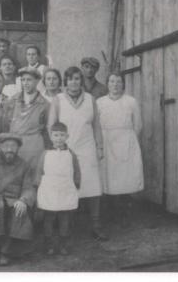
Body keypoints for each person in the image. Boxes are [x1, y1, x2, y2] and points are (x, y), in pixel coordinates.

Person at [48, 66, 108, 241]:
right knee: (67, 184)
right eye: (70, 79)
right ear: (65, 81)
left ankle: (96, 225)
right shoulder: (58, 99)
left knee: (93, 185)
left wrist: (100, 147)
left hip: (87, 147)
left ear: (81, 81)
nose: (74, 82)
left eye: (77, 79)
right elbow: (51, 126)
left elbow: (96, 125)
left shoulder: (90, 99)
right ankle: (67, 226)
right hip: (66, 148)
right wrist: (57, 147)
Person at [0, 133, 35, 267]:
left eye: (13, 146)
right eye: (6, 146)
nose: (10, 149)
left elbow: (29, 187)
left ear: (18, 148)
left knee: (18, 209)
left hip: (15, 199)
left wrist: (24, 200)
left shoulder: (24, 165)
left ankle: (6, 252)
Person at [97, 73, 144, 220]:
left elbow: (138, 125)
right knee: (108, 176)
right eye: (112, 81)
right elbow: (96, 125)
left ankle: (124, 212)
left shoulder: (131, 101)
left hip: (126, 142)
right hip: (106, 141)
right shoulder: (100, 102)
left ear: (123, 84)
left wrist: (130, 140)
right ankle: (110, 211)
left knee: (124, 177)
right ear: (107, 84)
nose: (115, 85)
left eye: (118, 81)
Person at [35, 122, 80, 255]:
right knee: (49, 217)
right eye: (56, 135)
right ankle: (48, 244)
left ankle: (63, 244)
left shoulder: (71, 154)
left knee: (64, 217)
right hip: (49, 189)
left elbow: (77, 170)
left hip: (65, 188)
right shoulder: (45, 153)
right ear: (51, 136)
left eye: (62, 135)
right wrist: (38, 186)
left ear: (67, 136)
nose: (59, 138)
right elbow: (39, 170)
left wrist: (76, 184)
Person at [7, 67, 50, 165]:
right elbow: (6, 123)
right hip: (15, 145)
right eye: (23, 80)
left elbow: (47, 130)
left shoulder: (44, 104)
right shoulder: (12, 101)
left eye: (29, 80)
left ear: (37, 81)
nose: (25, 83)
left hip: (34, 147)